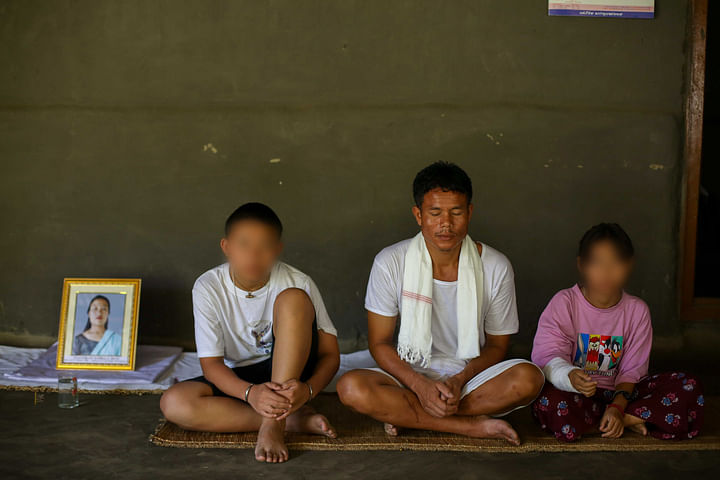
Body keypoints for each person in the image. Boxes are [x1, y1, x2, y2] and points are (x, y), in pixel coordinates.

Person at [337, 161, 545, 445]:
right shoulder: (390, 262)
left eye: (456, 212)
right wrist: (419, 386)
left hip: (469, 377)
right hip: (410, 373)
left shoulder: (496, 266)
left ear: (470, 212)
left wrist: (458, 381)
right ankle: (471, 427)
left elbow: (497, 346)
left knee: (529, 379)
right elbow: (380, 343)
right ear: (418, 215)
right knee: (351, 388)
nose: (445, 224)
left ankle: (406, 414)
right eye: (434, 213)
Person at [159, 202, 340, 463]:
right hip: (242, 377)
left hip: (295, 371)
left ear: (278, 250)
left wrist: (309, 390)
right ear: (227, 247)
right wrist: (250, 393)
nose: (254, 255)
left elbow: (330, 354)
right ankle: (289, 420)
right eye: (244, 245)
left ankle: (273, 425)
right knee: (174, 403)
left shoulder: (297, 282)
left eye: (265, 247)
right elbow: (211, 365)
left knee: (293, 299)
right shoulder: (208, 287)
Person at [531, 223, 705, 442]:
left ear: (629, 265)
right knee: (550, 402)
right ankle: (631, 420)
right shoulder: (565, 303)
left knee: (688, 385)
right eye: (597, 263)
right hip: (577, 395)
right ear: (582, 265)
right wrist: (570, 376)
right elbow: (547, 356)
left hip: (623, 394)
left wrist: (617, 408)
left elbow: (632, 371)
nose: (606, 272)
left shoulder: (637, 310)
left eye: (616, 262)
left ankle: (616, 421)